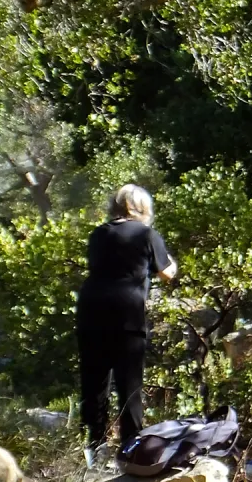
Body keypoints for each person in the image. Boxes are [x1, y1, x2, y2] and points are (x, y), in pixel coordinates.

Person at [76, 184, 177, 460]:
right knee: (129, 386)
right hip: (127, 314)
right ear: (143, 208)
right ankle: (131, 451)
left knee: (94, 384)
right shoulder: (146, 234)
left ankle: (93, 448)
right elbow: (167, 273)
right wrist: (168, 260)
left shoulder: (98, 234)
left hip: (90, 310)